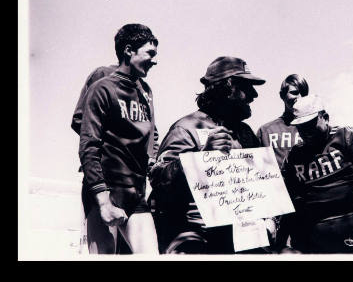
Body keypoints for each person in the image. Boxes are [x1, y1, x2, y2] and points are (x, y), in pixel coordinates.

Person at [148, 56, 273, 254]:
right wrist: (202, 158)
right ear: (226, 88)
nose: (253, 95)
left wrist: (269, 218)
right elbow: (158, 179)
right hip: (199, 237)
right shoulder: (186, 128)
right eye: (246, 87)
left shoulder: (246, 133)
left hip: (241, 236)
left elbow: (262, 185)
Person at [78, 23, 160, 254]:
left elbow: (151, 134)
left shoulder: (146, 92)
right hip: (105, 191)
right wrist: (103, 202)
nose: (155, 61)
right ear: (128, 50)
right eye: (150, 53)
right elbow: (88, 146)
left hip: (136, 193)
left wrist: (153, 160)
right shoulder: (102, 88)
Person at [279, 95, 353, 254]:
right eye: (301, 127)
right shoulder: (294, 156)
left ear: (326, 118)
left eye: (310, 124)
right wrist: (282, 243)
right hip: (318, 243)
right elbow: (288, 199)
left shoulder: (347, 137)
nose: (306, 132)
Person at [257, 74, 309, 169]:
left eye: (304, 93)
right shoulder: (266, 131)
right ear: (282, 95)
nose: (300, 97)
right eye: (295, 92)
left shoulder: (314, 127)